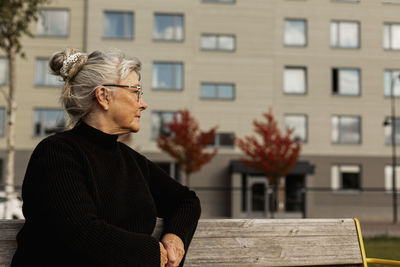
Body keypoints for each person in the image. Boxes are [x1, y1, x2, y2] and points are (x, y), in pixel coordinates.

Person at [11, 48, 201, 267]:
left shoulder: (133, 162)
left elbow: (186, 200)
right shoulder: (56, 154)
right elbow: (81, 233)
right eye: (135, 91)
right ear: (103, 96)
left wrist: (174, 237)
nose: (143, 103)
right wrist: (152, 254)